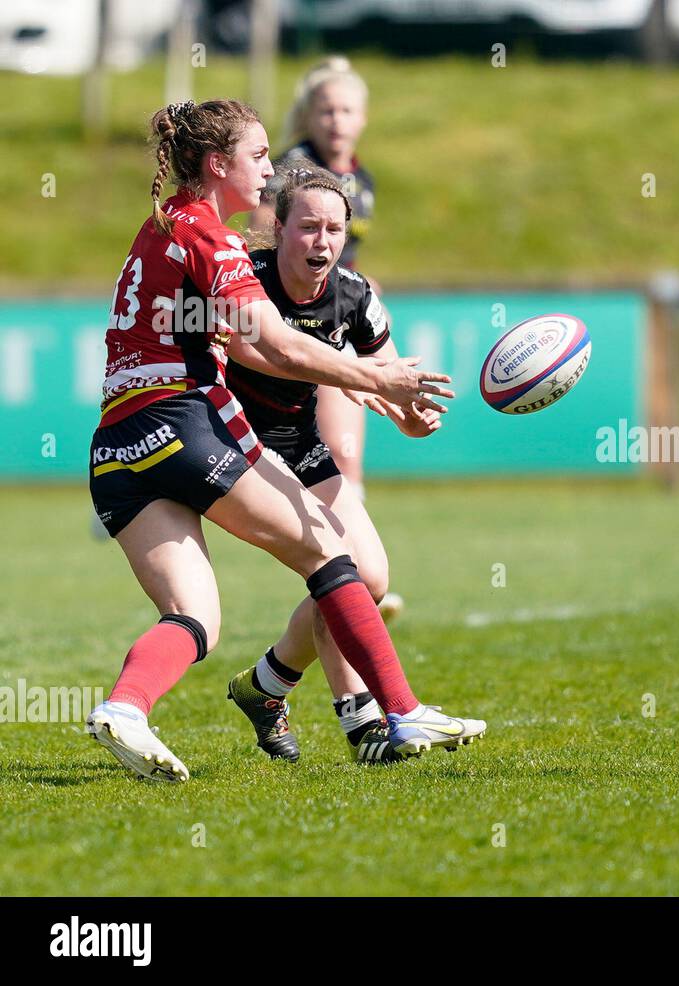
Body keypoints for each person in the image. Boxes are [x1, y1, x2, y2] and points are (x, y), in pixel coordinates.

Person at [85, 99, 485, 783]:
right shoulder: (213, 237)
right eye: (260, 155)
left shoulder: (159, 226)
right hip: (184, 420)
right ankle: (399, 711)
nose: (271, 168)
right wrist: (377, 377)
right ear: (218, 165)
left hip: (115, 446)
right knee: (327, 550)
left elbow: (265, 346)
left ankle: (125, 708)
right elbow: (271, 343)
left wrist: (368, 382)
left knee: (194, 618)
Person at [225, 165, 438, 764]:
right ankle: (361, 720)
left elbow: (389, 377)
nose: (322, 241)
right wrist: (352, 374)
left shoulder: (356, 296)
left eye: (335, 229)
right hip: (229, 442)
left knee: (369, 578)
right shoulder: (244, 280)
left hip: (297, 442)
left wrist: (409, 416)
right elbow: (259, 352)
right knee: (336, 567)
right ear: (279, 228)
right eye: (309, 227)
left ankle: (265, 686)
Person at [250, 60, 383, 606]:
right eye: (326, 109)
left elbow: (347, 260)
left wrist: (356, 290)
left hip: (334, 318)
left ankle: (355, 570)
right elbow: (260, 231)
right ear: (309, 114)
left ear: (363, 118)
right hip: (280, 317)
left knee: (345, 452)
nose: (335, 120)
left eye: (346, 110)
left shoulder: (364, 180)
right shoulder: (291, 167)